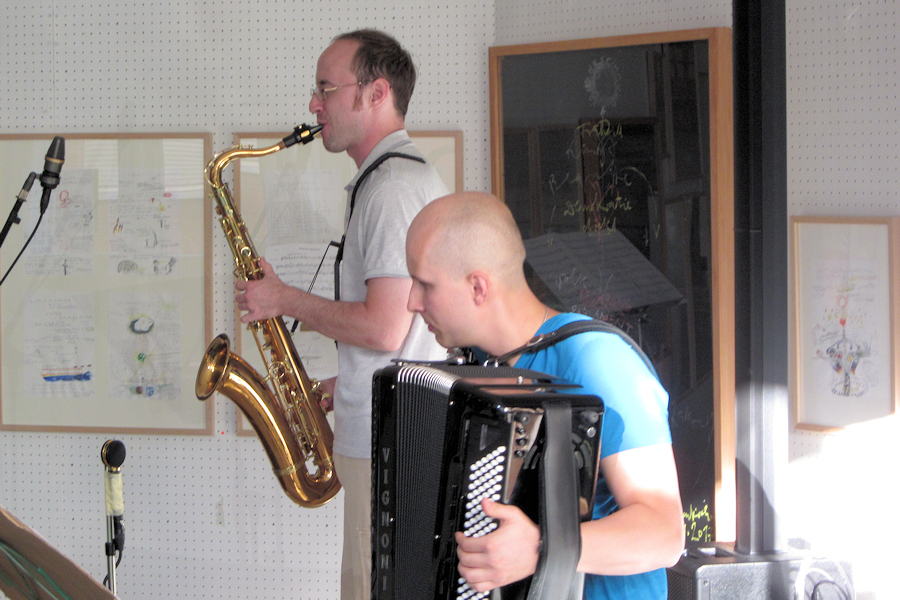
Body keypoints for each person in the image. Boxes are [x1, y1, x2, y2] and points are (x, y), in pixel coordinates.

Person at [235, 29, 448, 600]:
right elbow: (399, 332)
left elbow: (384, 326)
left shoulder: (392, 188)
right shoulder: (390, 181)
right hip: (393, 434)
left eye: (325, 89)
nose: (313, 104)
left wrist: (283, 300)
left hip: (388, 443)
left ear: (376, 93)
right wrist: (344, 382)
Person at [405, 191, 685, 600]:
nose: (411, 302)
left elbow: (665, 533)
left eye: (425, 284)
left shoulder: (598, 361)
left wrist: (541, 549)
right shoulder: (479, 368)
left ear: (478, 287)